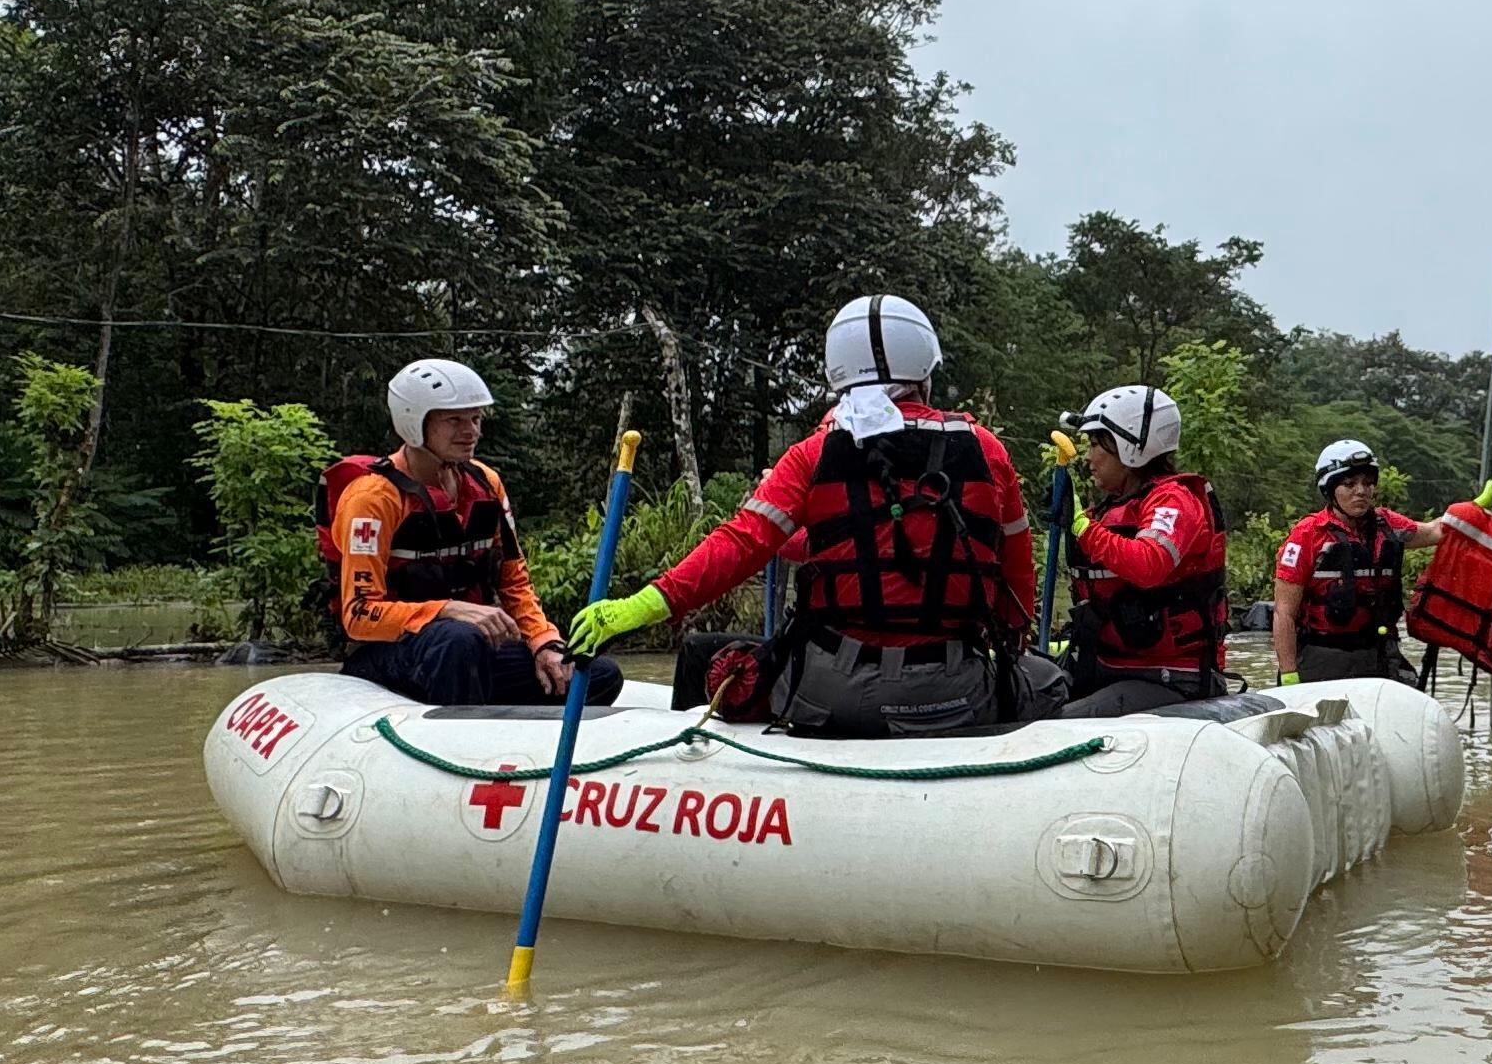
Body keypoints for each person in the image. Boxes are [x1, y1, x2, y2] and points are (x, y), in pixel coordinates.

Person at [561, 294, 1049, 737]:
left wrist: (640, 606)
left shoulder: (812, 454)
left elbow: (740, 544)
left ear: (841, 376)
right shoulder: (988, 450)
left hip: (829, 694)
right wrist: (1010, 644)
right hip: (953, 693)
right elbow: (1016, 581)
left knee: (719, 658)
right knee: (1049, 681)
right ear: (926, 372)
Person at [334, 358, 627, 711]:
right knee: (459, 639)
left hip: (465, 648)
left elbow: (514, 581)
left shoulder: (485, 482)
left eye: (475, 419)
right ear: (414, 422)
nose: (471, 431)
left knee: (598, 675)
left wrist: (544, 641)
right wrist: (446, 610)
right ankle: (456, 746)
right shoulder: (372, 499)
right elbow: (359, 616)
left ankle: (520, 750)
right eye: (455, 420)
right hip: (388, 652)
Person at [1055, 383, 1232, 716]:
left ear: (1130, 447)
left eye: (1097, 445)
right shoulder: (1113, 506)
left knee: (1059, 720)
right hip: (1111, 664)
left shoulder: (1176, 500)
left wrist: (1080, 526)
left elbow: (1149, 564)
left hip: (1170, 677)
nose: (1090, 458)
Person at [1269, 436, 1431, 687]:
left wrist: (1476, 508)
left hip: (1376, 655)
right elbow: (1284, 613)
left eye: (1368, 483)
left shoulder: (1387, 525)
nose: (1361, 491)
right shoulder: (1307, 535)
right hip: (1321, 655)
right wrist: (1289, 674)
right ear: (1330, 489)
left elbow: (1435, 532)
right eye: (1350, 484)